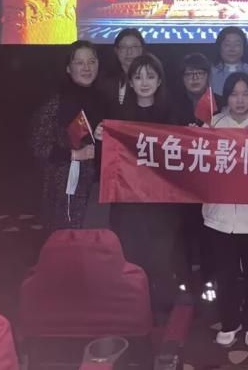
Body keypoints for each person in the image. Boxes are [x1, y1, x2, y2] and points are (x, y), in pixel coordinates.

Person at [110, 53, 187, 310]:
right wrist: (101, 138)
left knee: (161, 259)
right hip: (129, 203)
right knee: (133, 257)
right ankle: (136, 309)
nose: (144, 82)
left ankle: (164, 310)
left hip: (163, 204)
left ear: (159, 81)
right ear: (130, 82)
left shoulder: (172, 115)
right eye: (138, 77)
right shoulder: (118, 117)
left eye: (150, 76)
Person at [205, 72, 248, 347]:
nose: (240, 100)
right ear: (226, 98)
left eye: (245, 94)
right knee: (226, 274)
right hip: (219, 216)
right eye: (234, 94)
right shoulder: (212, 124)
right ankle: (230, 322)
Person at [30, 40, 107, 230]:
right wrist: (75, 154)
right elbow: (39, 146)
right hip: (65, 189)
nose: (87, 68)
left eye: (91, 61)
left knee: (97, 240)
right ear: (68, 68)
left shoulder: (105, 99)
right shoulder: (55, 102)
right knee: (68, 242)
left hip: (99, 186)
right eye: (79, 62)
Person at [169, 52, 217, 301]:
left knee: (210, 234)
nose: (195, 78)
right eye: (189, 74)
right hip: (181, 183)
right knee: (183, 234)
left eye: (200, 73)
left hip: (212, 183)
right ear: (182, 78)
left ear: (208, 76)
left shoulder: (221, 103)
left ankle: (210, 281)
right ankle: (184, 283)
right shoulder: (171, 104)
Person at [98, 28, 145, 110]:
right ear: (116, 50)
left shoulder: (151, 78)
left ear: (141, 49)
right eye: (123, 47)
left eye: (134, 47)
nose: (129, 52)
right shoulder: (104, 81)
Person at [210, 26, 248, 96]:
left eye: (237, 45)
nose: (232, 49)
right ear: (219, 47)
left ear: (243, 47)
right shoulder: (210, 73)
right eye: (227, 45)